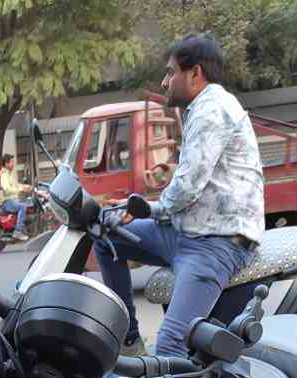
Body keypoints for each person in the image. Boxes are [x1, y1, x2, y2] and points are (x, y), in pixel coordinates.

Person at [94, 32, 265, 358]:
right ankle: (128, 341)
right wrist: (140, 206)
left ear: (195, 73)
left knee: (172, 344)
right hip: (188, 230)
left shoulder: (212, 110)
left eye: (171, 72)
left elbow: (187, 186)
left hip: (217, 242)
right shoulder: (202, 108)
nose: (164, 82)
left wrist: (149, 209)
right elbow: (197, 175)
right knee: (104, 230)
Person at [0, 153, 30, 240]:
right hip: (6, 202)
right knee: (22, 207)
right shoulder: (4, 174)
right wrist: (21, 189)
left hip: (13, 200)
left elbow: (16, 185)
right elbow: (7, 189)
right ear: (6, 163)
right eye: (12, 162)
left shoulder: (10, 174)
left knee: (28, 203)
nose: (13, 164)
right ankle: (18, 231)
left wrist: (25, 187)